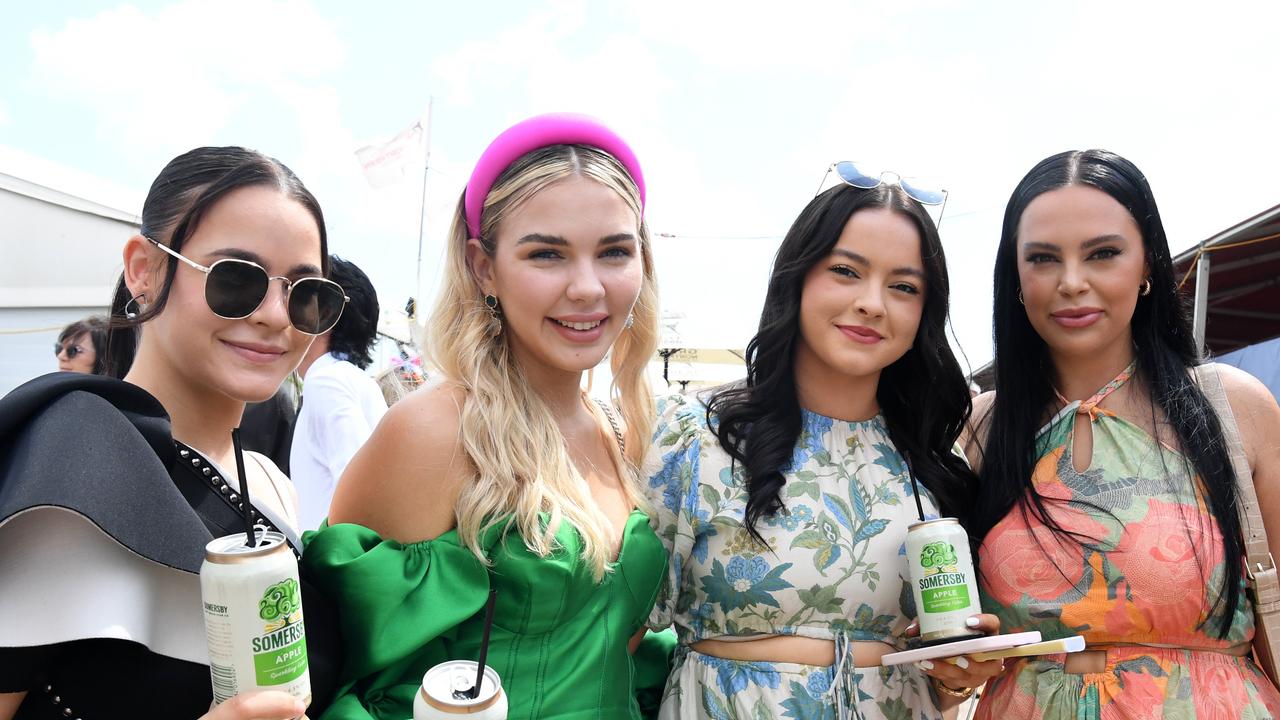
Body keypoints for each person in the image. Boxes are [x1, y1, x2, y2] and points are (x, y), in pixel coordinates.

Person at [303, 113, 671, 719]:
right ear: (483, 268)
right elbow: (348, 669)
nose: (586, 287)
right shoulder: (435, 431)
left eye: (614, 252)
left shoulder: (619, 430)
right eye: (547, 255)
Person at [644, 163, 1003, 719]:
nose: (872, 303)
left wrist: (958, 674)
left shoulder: (935, 463)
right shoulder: (699, 433)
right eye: (846, 271)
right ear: (798, 277)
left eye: (904, 286)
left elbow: (938, 672)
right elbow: (623, 628)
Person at [0, 146, 347, 720]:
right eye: (237, 278)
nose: (276, 316)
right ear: (144, 268)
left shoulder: (267, 481)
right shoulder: (65, 465)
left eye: (306, 294)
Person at [966, 149, 1280, 718]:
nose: (1071, 282)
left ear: (1149, 268)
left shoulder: (1232, 406)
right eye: (1042, 258)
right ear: (1014, 278)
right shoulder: (981, 430)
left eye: (1103, 254)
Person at [290, 255, 388, 530]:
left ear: (325, 314)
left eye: (297, 297)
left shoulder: (326, 381)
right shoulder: (352, 379)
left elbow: (359, 486)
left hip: (333, 561)